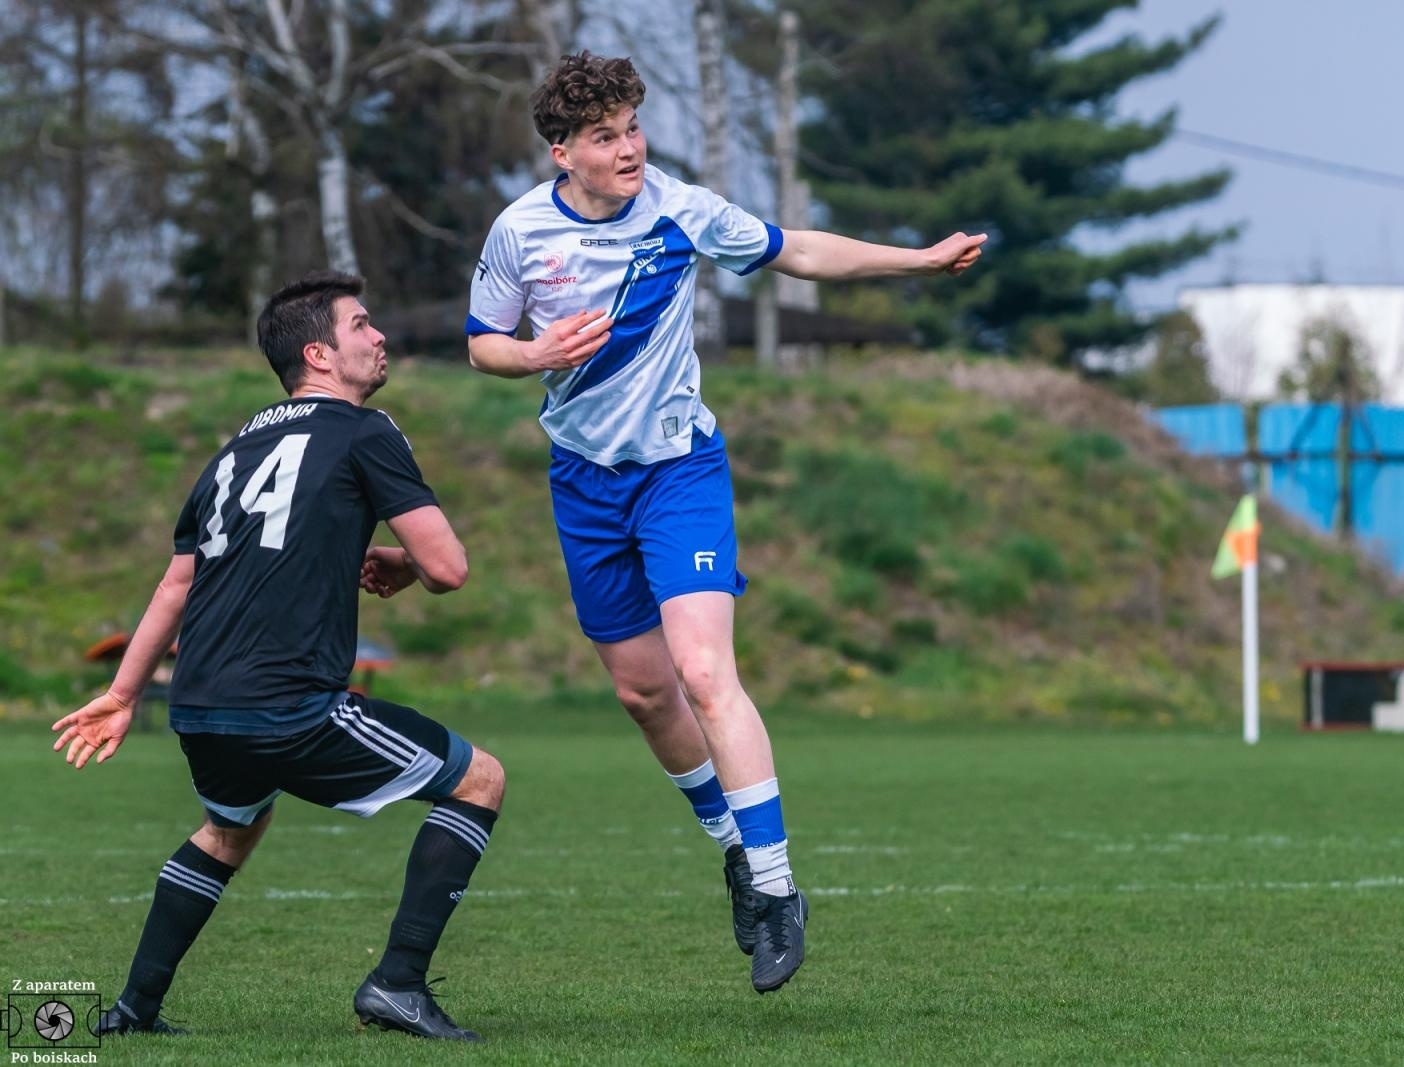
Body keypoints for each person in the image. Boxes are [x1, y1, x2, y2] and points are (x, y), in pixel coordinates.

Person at [464, 51, 985, 994]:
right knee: (644, 695)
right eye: (604, 136)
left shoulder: (679, 208)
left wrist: (917, 260)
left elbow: (798, 249)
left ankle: (779, 888)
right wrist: (532, 351)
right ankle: (735, 847)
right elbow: (482, 343)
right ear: (562, 151)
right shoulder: (518, 232)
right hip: (584, 484)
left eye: (632, 127)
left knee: (705, 672)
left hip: (679, 473)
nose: (628, 149)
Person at [52, 271, 502, 1042]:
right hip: (288, 703)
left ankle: (132, 1010)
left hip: (199, 703)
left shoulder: (235, 449)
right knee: (479, 780)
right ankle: (397, 982)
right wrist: (413, 561)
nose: (381, 335)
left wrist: (125, 694)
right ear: (321, 354)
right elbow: (451, 568)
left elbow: (176, 582)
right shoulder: (367, 430)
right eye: (363, 324)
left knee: (228, 829)